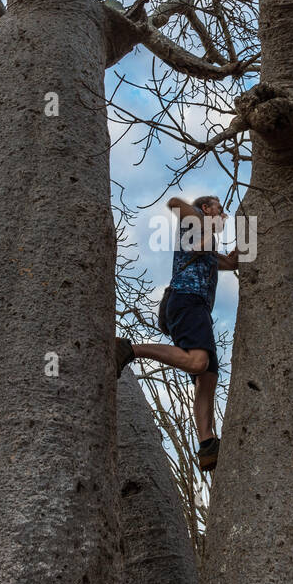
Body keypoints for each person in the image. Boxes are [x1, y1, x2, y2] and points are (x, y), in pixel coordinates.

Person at [116, 194, 237, 471]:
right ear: (205, 208)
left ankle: (207, 444)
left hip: (197, 308)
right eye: (218, 205)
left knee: (207, 378)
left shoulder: (206, 244)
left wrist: (244, 237)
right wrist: (207, 219)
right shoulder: (194, 221)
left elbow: (232, 263)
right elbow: (173, 202)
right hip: (186, 299)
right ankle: (131, 350)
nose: (222, 210)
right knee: (198, 362)